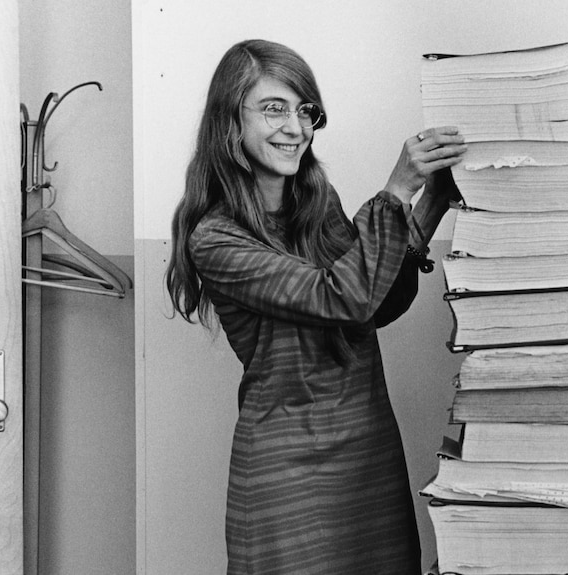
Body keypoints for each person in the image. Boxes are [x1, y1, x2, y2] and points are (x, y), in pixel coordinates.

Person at [166, 38, 467, 575]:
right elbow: (341, 297)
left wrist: (434, 201)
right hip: (286, 467)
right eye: (273, 108)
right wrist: (397, 190)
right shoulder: (215, 238)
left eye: (305, 111)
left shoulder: (318, 202)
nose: (296, 127)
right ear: (229, 121)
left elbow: (374, 304)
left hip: (367, 450)